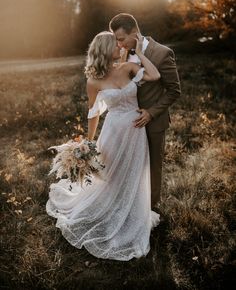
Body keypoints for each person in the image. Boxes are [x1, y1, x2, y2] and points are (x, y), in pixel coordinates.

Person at [46, 31, 161, 261]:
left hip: (135, 130)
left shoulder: (128, 67)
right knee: (111, 174)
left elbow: (155, 75)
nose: (120, 45)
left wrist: (138, 53)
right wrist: (88, 142)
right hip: (113, 131)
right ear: (105, 49)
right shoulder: (93, 80)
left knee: (134, 172)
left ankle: (131, 211)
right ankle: (109, 211)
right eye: (115, 43)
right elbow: (93, 112)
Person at [109, 13, 181, 210]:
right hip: (127, 123)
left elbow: (174, 90)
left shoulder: (162, 53)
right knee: (130, 166)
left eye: (122, 39)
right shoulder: (123, 54)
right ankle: (131, 207)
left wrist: (151, 112)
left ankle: (150, 210)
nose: (120, 44)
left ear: (135, 33)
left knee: (152, 167)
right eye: (116, 40)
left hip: (153, 122)